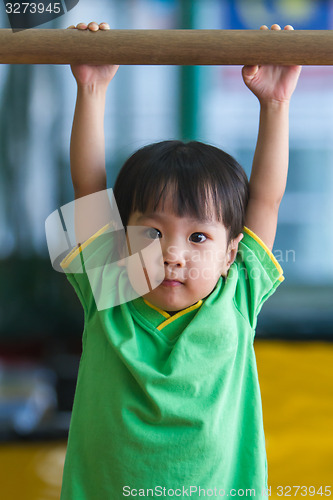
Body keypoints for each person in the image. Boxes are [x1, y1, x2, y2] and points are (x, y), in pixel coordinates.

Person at [58, 21, 301, 499]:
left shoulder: (237, 294)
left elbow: (267, 202)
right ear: (119, 240)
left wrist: (275, 104)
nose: (172, 254)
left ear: (232, 253)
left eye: (197, 236)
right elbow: (88, 187)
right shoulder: (110, 286)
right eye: (150, 232)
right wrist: (91, 88)